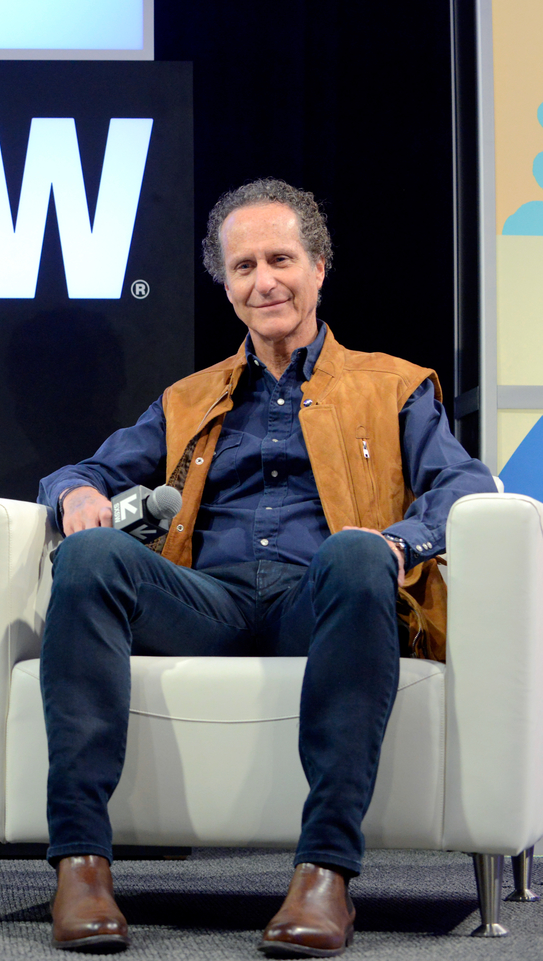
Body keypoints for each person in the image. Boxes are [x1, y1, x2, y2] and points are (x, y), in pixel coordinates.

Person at [36, 179, 494, 957]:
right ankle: (81, 868)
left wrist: (396, 544)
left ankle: (325, 876)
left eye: (280, 258)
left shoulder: (395, 385)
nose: (264, 280)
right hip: (206, 602)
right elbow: (80, 472)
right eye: (243, 266)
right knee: (88, 554)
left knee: (355, 549)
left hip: (320, 598)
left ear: (319, 268)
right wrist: (77, 493)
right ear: (227, 284)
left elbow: (465, 487)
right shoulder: (190, 396)